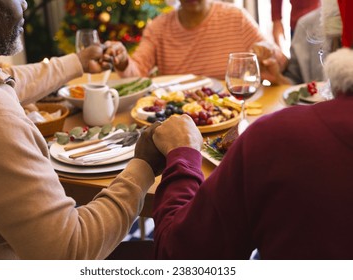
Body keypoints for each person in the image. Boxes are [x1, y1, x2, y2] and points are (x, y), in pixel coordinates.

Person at [150, 0, 353, 259]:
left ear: (337, 50)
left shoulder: (275, 138)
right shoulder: (160, 26)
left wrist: (182, 154)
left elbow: (180, 255)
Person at [0, 0, 163, 259]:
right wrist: (144, 166)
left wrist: (77, 61)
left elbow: (6, 79)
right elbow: (69, 250)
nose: (24, 3)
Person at [102, 0, 286, 80]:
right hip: (178, 118)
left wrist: (269, 52)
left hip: (231, 112)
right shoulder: (158, 27)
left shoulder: (236, 17)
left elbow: (278, 60)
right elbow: (137, 73)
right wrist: (124, 61)